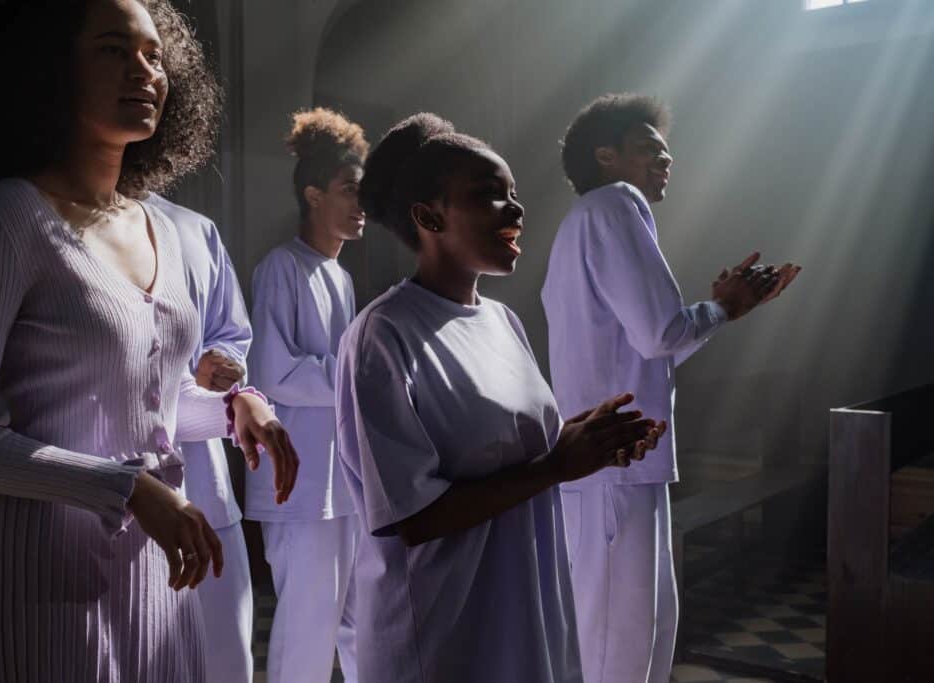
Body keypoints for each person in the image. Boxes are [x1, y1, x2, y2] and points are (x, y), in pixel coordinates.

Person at [0, 2, 298, 681]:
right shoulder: (6, 217)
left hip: (158, 575)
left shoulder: (168, 231)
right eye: (114, 50)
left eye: (153, 55)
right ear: (51, 68)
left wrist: (234, 407)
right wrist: (129, 489)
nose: (143, 71)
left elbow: (149, 405)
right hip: (39, 579)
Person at [335, 112, 666, 683]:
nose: (514, 208)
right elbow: (412, 517)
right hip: (444, 632)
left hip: (525, 610)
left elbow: (511, 450)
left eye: (512, 193)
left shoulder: (504, 321)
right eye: (489, 195)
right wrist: (556, 466)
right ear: (428, 215)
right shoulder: (383, 334)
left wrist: (589, 439)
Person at [541, 92, 801, 683]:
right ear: (605, 156)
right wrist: (720, 308)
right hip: (613, 461)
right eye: (648, 150)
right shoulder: (614, 204)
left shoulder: (591, 220)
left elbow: (654, 342)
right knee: (617, 646)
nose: (665, 161)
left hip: (622, 460)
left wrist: (721, 310)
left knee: (643, 638)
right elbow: (662, 333)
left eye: (666, 153)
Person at [245, 108, 367, 682]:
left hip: (341, 483)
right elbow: (273, 372)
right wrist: (361, 374)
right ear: (314, 195)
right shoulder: (282, 268)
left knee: (359, 624)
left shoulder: (340, 277)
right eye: (348, 190)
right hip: (297, 485)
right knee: (307, 631)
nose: (359, 202)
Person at [146, 192, 256, 682]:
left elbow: (232, 336)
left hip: (205, 481)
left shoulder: (195, 228)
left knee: (227, 658)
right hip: (118, 494)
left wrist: (226, 367)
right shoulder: (41, 212)